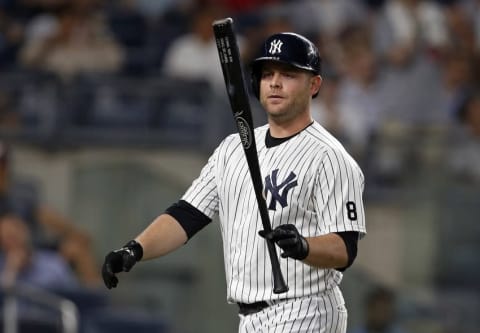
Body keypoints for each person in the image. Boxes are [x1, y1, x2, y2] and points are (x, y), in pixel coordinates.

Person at [102, 31, 367, 333]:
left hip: (306, 310)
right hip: (249, 318)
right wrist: (135, 250)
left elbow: (345, 249)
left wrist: (304, 246)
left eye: (289, 74)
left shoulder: (330, 157)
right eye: (267, 74)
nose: (275, 82)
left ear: (314, 84)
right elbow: (187, 215)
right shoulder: (232, 149)